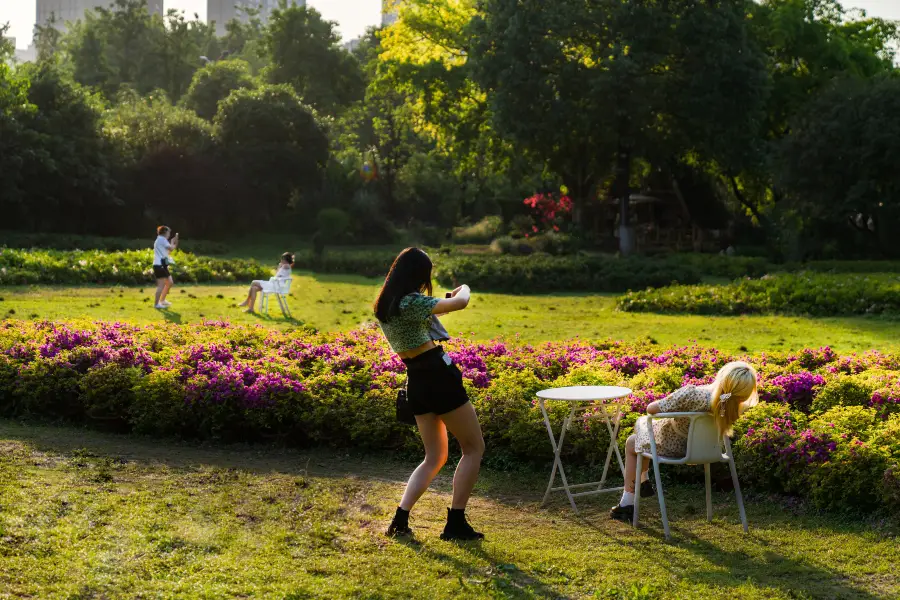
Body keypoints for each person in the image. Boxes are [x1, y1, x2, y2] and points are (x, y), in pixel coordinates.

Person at [375, 247, 485, 541]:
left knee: (434, 456)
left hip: (416, 380)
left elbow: (433, 310)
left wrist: (443, 298)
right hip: (438, 374)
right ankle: (455, 523)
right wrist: (465, 287)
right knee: (474, 448)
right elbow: (460, 302)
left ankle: (400, 518)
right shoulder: (412, 302)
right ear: (417, 275)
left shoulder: (386, 305)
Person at [610, 361, 759, 522]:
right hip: (707, 451)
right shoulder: (735, 405)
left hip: (674, 447)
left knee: (633, 441)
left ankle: (627, 503)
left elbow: (651, 409)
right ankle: (643, 481)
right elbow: (721, 396)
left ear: (722, 377)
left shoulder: (693, 394)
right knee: (645, 435)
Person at [153, 226, 178, 309]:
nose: (169, 234)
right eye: (168, 233)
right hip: (159, 265)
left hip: (161, 265)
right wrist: (174, 242)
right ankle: (156, 304)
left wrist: (172, 243)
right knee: (161, 285)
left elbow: (168, 251)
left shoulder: (160, 240)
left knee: (170, 282)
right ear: (164, 232)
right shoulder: (162, 239)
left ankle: (162, 300)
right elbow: (171, 248)